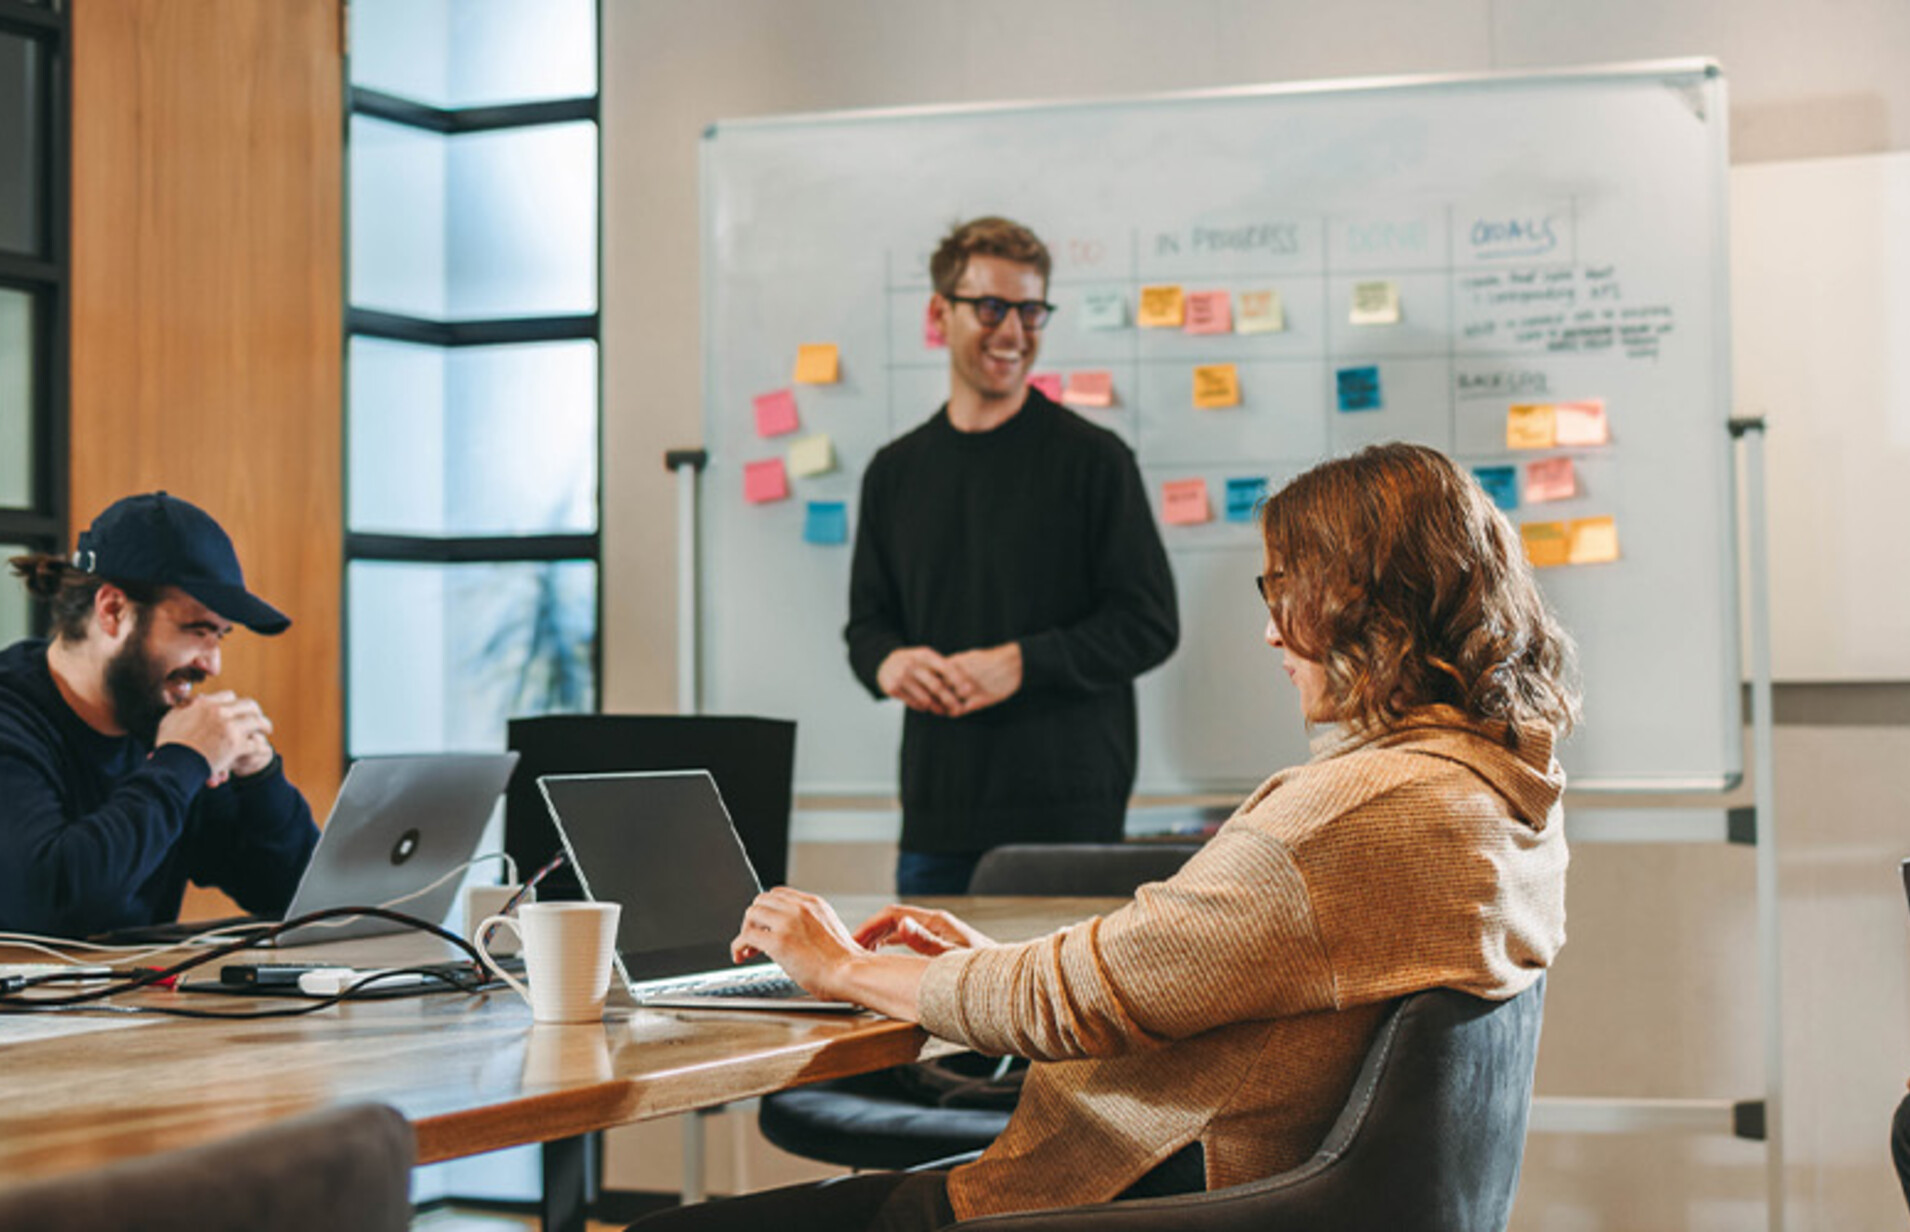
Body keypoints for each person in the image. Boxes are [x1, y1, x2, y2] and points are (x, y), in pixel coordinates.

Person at [633, 442, 1579, 1232]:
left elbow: (1073, 1005)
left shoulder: (1356, 815)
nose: (1268, 634)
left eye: (1284, 589)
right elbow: (1149, 973)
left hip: (1124, 1192)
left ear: (1362, 600)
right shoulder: (1494, 788)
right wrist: (986, 964)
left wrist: (835, 967)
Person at [845, 216, 1179, 894]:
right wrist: (888, 662)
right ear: (940, 314)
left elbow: (1149, 624)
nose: (1014, 332)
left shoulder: (1096, 461)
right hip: (937, 818)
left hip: (1069, 821)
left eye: (1031, 310)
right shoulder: (894, 471)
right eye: (992, 307)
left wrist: (1022, 664)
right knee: (919, 1000)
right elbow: (867, 627)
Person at [0, 492, 319, 938]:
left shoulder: (158, 719)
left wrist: (260, 781)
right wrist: (183, 760)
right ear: (112, 611)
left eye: (220, 637)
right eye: (197, 630)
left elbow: (299, 898)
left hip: (137, 1005)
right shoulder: (13, 720)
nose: (212, 664)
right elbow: (48, 904)